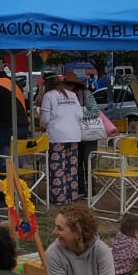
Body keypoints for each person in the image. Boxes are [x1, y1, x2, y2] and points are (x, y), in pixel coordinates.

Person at [42, 72, 84, 204]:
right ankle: (72, 195)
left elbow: (45, 119)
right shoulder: (72, 95)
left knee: (57, 168)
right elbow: (80, 115)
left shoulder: (48, 96)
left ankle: (59, 197)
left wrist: (43, 125)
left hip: (57, 136)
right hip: (74, 134)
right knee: (71, 167)